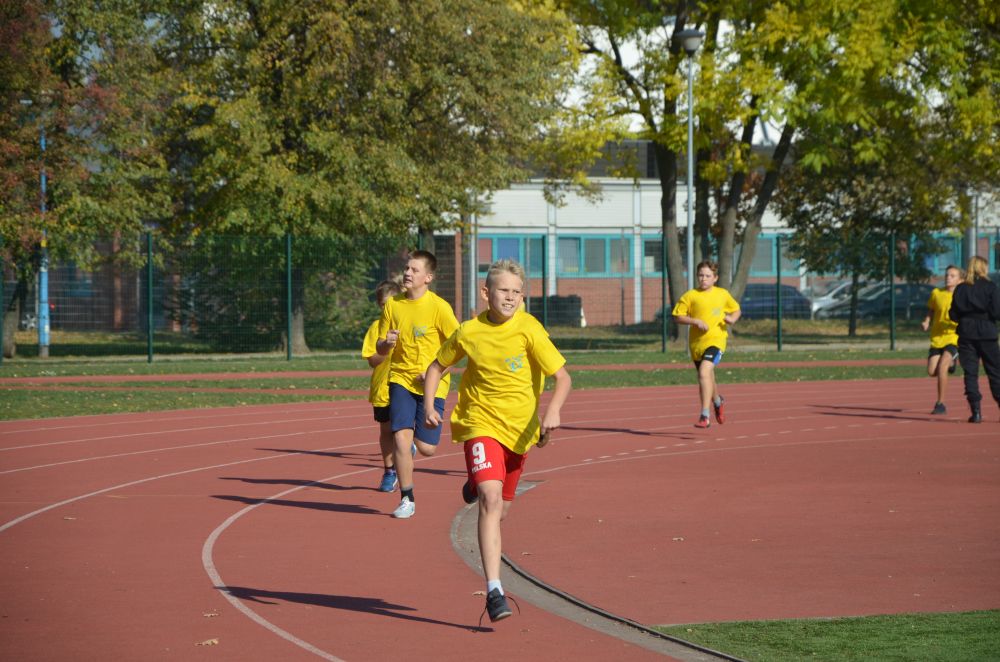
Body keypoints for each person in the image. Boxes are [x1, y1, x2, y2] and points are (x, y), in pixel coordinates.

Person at [423, 259, 571, 623]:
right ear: (486, 293)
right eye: (504, 290)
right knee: (490, 500)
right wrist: (429, 404)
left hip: (520, 433)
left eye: (517, 292)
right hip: (480, 424)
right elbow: (436, 366)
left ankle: (475, 480)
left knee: (501, 509)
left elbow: (563, 377)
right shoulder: (469, 331)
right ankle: (494, 590)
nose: (511, 298)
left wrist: (552, 412)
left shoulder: (529, 329)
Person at [376, 250, 459, 518]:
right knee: (399, 436)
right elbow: (379, 347)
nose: (408, 273)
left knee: (427, 449)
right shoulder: (393, 305)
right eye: (407, 268)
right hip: (400, 378)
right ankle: (407, 498)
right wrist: (386, 343)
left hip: (432, 385)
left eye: (414, 270)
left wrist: (437, 373)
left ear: (428, 277)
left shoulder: (439, 308)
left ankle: (413, 445)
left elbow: (459, 349)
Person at [672, 260, 741, 428]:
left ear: (715, 278)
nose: (703, 279)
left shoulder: (722, 294)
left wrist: (732, 318)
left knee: (704, 372)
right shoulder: (690, 296)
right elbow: (677, 316)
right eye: (701, 275)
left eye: (708, 276)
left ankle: (705, 415)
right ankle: (718, 401)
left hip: (716, 341)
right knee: (707, 377)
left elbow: (736, 309)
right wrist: (695, 321)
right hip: (697, 345)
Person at [362, 277, 404, 492]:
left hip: (406, 386)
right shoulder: (376, 328)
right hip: (383, 389)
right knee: (387, 430)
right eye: (382, 305)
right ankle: (389, 471)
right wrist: (385, 348)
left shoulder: (409, 325)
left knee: (403, 430)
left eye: (391, 304)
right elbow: (372, 360)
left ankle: (407, 448)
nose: (387, 309)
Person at [948, 256, 1000, 423]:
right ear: (983, 268)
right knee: (995, 372)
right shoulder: (991, 287)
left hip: (966, 333)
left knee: (970, 373)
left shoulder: (961, 289)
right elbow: (997, 312)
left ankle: (976, 411)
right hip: (987, 333)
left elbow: (953, 314)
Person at [921, 265, 962, 415]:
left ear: (960, 280)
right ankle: (952, 364)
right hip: (937, 338)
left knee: (942, 367)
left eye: (952, 276)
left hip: (954, 337)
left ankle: (941, 403)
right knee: (932, 371)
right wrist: (926, 321)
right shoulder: (936, 293)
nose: (948, 278)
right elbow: (931, 310)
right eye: (947, 275)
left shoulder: (961, 295)